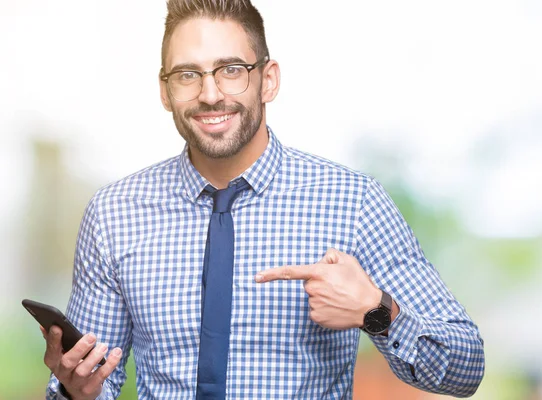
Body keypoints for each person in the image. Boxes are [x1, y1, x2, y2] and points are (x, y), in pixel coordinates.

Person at [42, 0, 485, 398]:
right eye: (187, 74)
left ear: (267, 80)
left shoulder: (353, 203)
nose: (210, 93)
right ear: (164, 91)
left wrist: (376, 311)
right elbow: (90, 382)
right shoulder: (114, 214)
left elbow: (465, 368)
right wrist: (75, 390)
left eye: (231, 69)